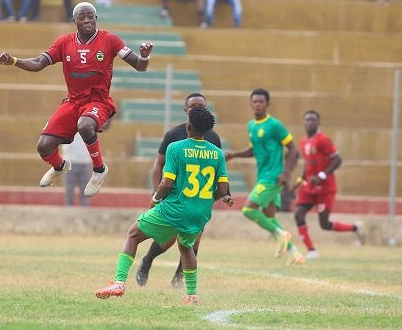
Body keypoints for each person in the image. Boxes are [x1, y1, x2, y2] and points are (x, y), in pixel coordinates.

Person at [0, 1, 155, 197]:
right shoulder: (64, 42)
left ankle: (99, 170)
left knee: (85, 125)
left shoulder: (110, 40)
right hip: (72, 102)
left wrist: (144, 57)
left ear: (96, 19)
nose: (87, 20)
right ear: (74, 21)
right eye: (82, 17)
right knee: (44, 146)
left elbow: (139, 66)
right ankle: (60, 166)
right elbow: (38, 63)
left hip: (98, 101)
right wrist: (13, 61)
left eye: (90, 16)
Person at [96, 105, 232, 304]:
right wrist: (203, 202)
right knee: (186, 247)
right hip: (200, 213)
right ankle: (191, 296)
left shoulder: (176, 148)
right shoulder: (217, 153)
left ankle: (119, 283)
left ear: (188, 126)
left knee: (133, 234)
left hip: (174, 208)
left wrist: (155, 200)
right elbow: (222, 189)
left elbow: (166, 183)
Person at [135, 93, 224, 288]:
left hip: (197, 199)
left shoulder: (213, 138)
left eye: (201, 106)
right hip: (174, 196)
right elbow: (158, 164)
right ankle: (147, 261)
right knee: (166, 240)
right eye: (193, 106)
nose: (196, 109)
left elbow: (217, 170)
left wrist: (221, 194)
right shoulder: (174, 135)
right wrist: (156, 193)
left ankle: (178, 279)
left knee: (193, 241)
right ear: (185, 110)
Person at [225, 88, 304, 265]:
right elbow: (254, 150)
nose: (258, 105)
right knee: (269, 217)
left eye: (261, 102)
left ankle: (280, 235)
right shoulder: (252, 126)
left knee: (248, 209)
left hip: (274, 177)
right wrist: (234, 155)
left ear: (268, 104)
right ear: (250, 104)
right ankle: (294, 253)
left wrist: (287, 172)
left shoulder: (275, 125)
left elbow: (293, 149)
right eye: (254, 102)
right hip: (263, 176)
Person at [292, 110, 363, 259]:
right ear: (304, 123)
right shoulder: (304, 141)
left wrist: (322, 175)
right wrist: (299, 181)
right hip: (309, 187)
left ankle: (355, 228)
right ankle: (311, 250)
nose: (310, 122)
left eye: (313, 120)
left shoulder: (323, 140)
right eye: (307, 120)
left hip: (325, 188)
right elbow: (308, 164)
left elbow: (337, 159)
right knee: (298, 214)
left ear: (318, 123)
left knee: (324, 224)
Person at [62, 133, 92, 207]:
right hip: (70, 160)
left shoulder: (89, 122)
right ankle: (69, 212)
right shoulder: (68, 123)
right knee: (69, 191)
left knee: (85, 192)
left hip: (85, 161)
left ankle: (84, 212)